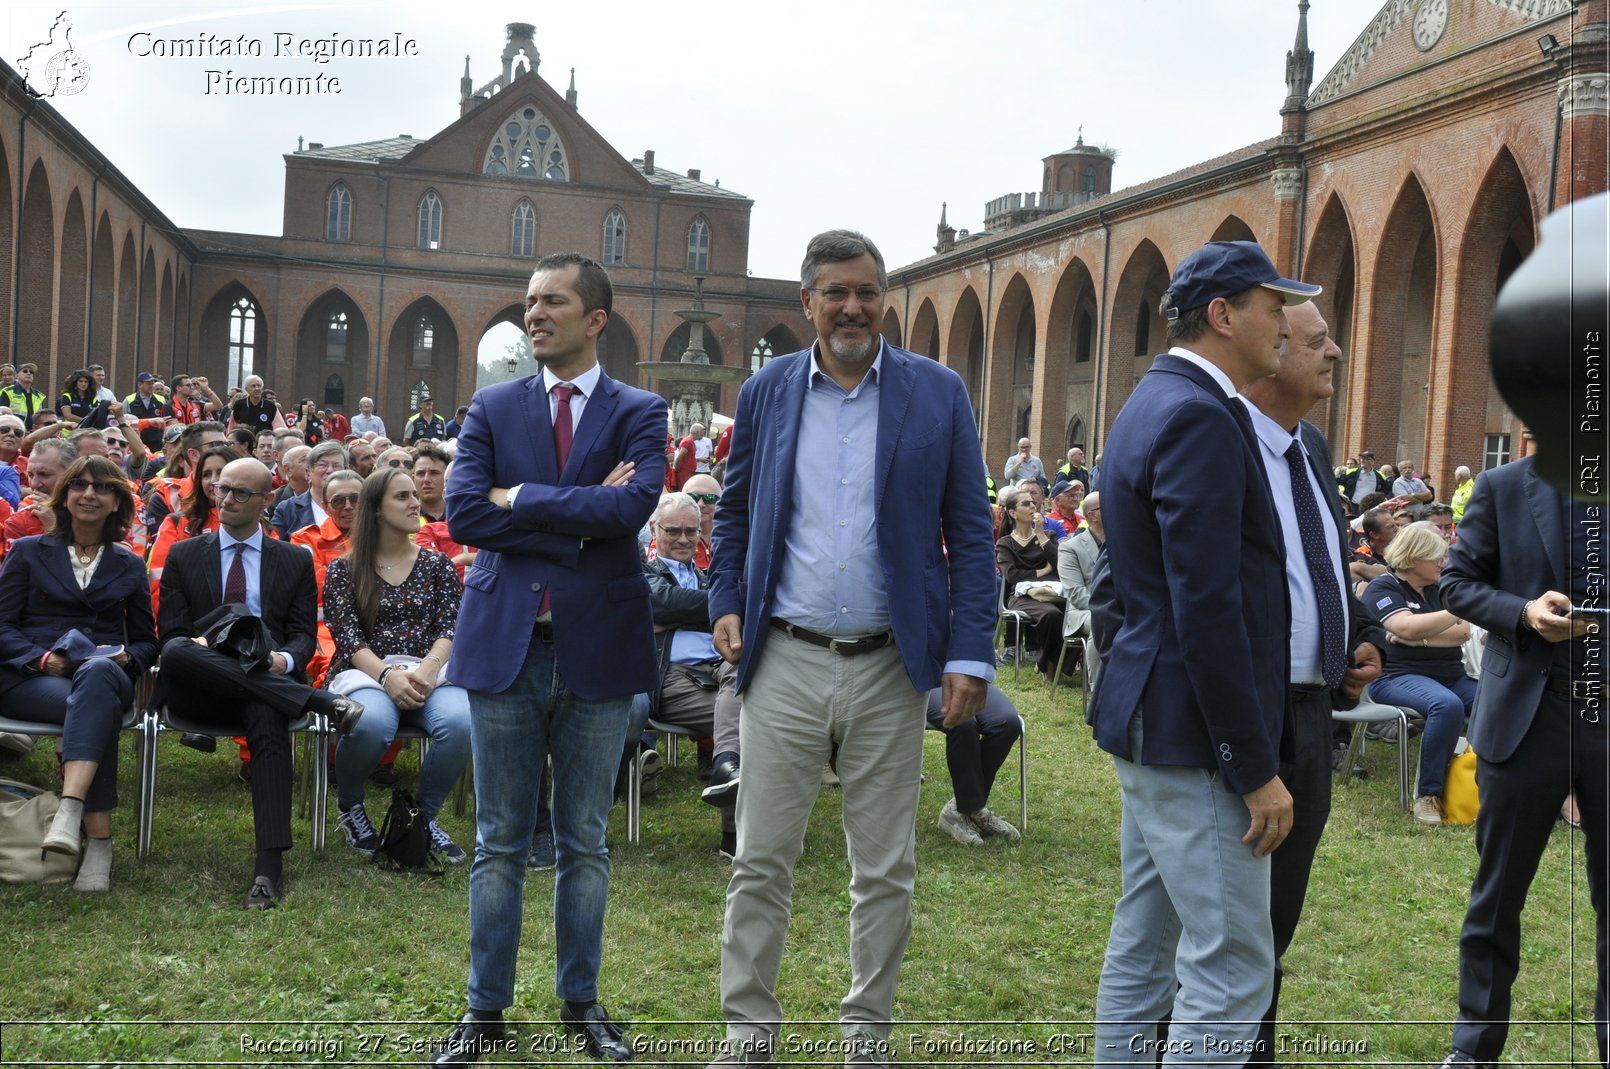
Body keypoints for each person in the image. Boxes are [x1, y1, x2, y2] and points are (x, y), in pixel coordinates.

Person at [704, 229, 995, 1067]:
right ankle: (749, 1031)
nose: (853, 307)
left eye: (867, 291)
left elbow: (970, 536)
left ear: (884, 299)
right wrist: (726, 596)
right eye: (835, 291)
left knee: (885, 865)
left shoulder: (937, 393)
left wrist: (970, 651)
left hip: (888, 663)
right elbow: (735, 512)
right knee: (761, 858)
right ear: (808, 303)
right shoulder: (765, 391)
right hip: (786, 655)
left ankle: (867, 1034)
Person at [433, 251, 665, 1066]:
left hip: (597, 646)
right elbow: (463, 513)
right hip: (506, 645)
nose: (534, 313)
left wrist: (522, 498)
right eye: (530, 301)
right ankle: (483, 1010)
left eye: (552, 302)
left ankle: (581, 999)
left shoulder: (643, 409)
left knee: (584, 839)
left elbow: (633, 505)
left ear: (595, 318)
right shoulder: (493, 407)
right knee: (499, 839)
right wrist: (579, 515)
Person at [1088, 239, 1317, 1064]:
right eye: (1271, 305)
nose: (1286, 325)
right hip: (1192, 734)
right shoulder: (1198, 413)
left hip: (1158, 720)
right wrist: (1252, 764)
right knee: (1231, 967)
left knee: (1145, 943)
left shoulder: (1156, 399)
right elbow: (1207, 607)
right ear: (1223, 315)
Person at [1237, 298, 1385, 1066]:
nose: (1336, 354)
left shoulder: (1311, 446)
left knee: (1278, 912)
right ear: (1269, 349)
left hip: (1309, 713)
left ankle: (1252, 1049)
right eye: (1320, 340)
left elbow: (1320, 565)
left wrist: (1359, 636)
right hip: (1243, 712)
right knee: (1221, 919)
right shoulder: (1221, 442)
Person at [1437, 457, 1607, 1067]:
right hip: (1533, 718)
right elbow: (1455, 584)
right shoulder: (1503, 487)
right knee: (1500, 891)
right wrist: (1524, 612)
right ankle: (1475, 1048)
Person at [155, 456, 362, 910]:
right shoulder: (186, 554)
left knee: (268, 716)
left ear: (267, 500)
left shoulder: (292, 559)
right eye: (221, 489)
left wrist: (283, 660)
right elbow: (170, 635)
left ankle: (267, 869)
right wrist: (205, 648)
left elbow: (304, 636)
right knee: (175, 652)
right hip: (199, 686)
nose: (226, 499)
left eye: (240, 492)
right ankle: (314, 700)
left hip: (264, 683)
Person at [0, 456, 158, 891]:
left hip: (100, 675)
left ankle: (70, 813)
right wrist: (42, 659)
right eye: (80, 486)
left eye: (102, 488)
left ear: (116, 503)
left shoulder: (128, 564)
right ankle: (98, 839)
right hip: (32, 678)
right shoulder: (28, 551)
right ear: (65, 496)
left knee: (98, 679)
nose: (89, 494)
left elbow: (148, 641)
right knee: (98, 706)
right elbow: (2, 625)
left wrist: (126, 659)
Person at [323, 467, 471, 863]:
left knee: (461, 722)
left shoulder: (437, 565)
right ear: (376, 509)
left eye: (413, 495)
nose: (415, 503)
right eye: (402, 497)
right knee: (372, 723)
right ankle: (351, 806)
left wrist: (426, 670)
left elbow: (451, 626)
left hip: (431, 670)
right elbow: (348, 638)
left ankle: (421, 818)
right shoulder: (344, 569)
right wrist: (388, 676)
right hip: (365, 671)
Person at [1363, 520, 1475, 826]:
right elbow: (1403, 626)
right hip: (1397, 677)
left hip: (1452, 675)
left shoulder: (1441, 587)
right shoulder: (1382, 587)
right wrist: (1455, 612)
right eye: (1435, 556)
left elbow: (1463, 633)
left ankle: (1490, 785)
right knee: (1446, 705)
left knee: (1500, 700)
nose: (1443, 562)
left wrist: (1418, 637)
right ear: (1412, 558)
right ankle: (1429, 794)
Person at [147, 444, 244, 616]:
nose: (214, 480)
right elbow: (159, 584)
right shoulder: (176, 523)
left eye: (221, 473)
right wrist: (172, 632)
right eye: (206, 474)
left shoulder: (259, 525)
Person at [927, 683, 1022, 845]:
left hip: (966, 676)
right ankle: (972, 808)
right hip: (923, 681)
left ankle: (961, 807)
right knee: (962, 722)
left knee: (1008, 723)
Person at [997, 485, 1066, 681]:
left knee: (1074, 612)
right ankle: (1050, 668)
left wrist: (1041, 535)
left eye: (1035, 503)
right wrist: (1042, 571)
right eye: (1026, 504)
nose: (1033, 506)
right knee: (1051, 615)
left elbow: (1061, 565)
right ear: (1013, 512)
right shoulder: (1005, 543)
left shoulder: (1048, 536)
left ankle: (1048, 662)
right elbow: (1011, 575)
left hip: (1052, 592)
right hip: (1021, 596)